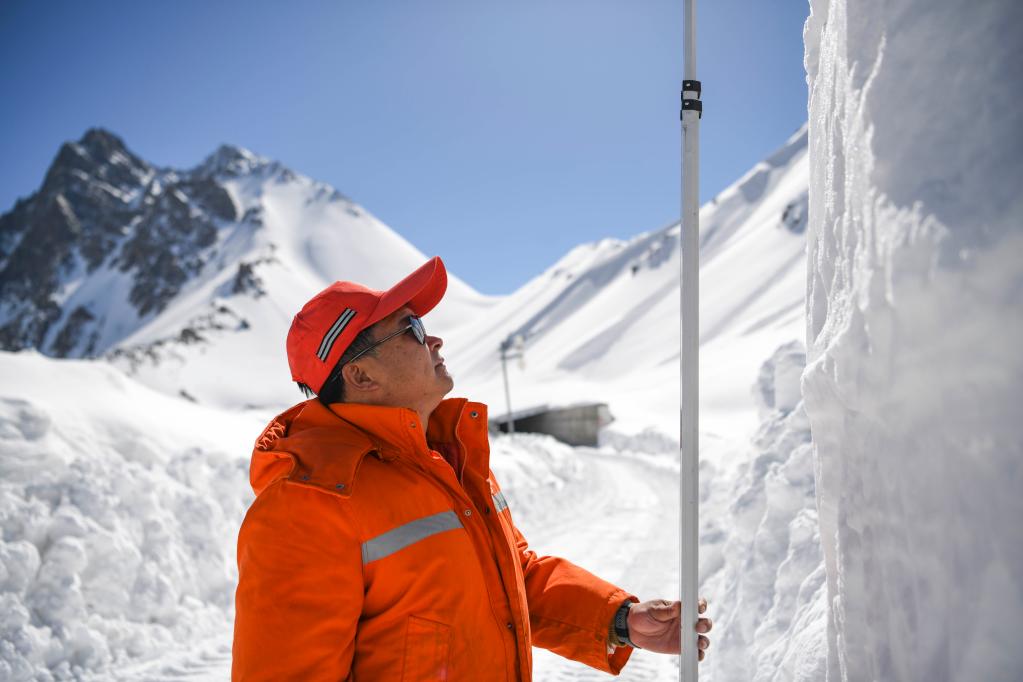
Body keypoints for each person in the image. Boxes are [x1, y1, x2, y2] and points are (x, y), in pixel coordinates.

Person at [232, 256, 712, 680]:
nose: (435, 338)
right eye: (412, 329)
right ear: (360, 374)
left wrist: (620, 620)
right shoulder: (309, 503)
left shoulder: (447, 457)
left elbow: (512, 579)